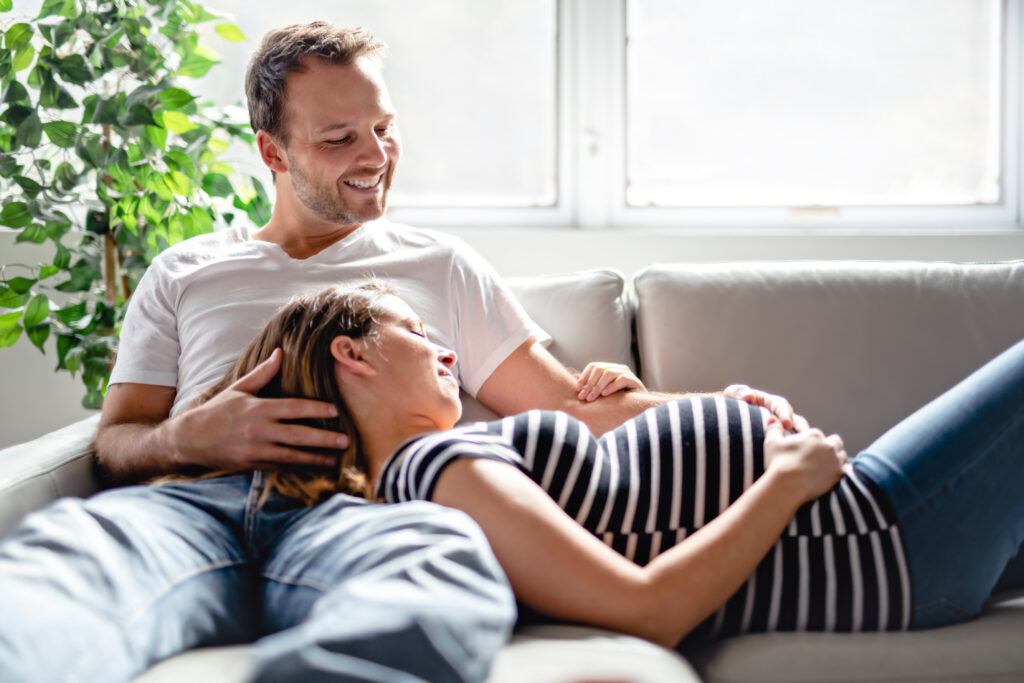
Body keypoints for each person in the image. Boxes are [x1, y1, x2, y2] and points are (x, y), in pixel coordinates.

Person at [0, 21, 790, 682]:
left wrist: (738, 406)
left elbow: (566, 406)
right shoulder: (185, 271)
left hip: (364, 509)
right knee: (57, 579)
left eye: (384, 128)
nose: (375, 155)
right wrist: (187, 437)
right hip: (194, 505)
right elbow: (116, 439)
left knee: (437, 582)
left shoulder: (439, 265)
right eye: (340, 138)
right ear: (273, 152)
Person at [210, 281, 1024, 648]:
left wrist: (718, 412)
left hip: (872, 523)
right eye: (417, 333)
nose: (446, 350)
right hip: (879, 536)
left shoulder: (430, 469)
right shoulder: (432, 470)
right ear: (352, 354)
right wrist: (784, 480)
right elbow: (646, 610)